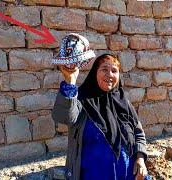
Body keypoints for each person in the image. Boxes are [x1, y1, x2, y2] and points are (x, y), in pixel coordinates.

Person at [52, 36, 149, 180]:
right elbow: (64, 117)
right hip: (93, 174)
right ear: (94, 73)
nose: (109, 75)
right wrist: (70, 81)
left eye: (114, 71)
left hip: (127, 173)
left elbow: (138, 133)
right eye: (104, 69)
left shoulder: (123, 103)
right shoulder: (81, 100)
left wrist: (140, 158)